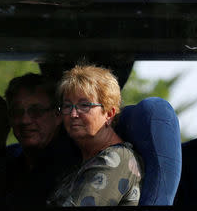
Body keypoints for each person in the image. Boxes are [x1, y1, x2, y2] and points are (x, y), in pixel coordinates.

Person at [48, 64, 143, 207]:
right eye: (67, 106)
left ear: (109, 114)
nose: (73, 114)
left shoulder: (116, 159)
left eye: (84, 105)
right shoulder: (82, 161)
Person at [4, 73, 81, 208]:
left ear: (58, 115)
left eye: (36, 111)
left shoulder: (72, 165)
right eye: (17, 112)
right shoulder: (10, 165)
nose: (24, 120)